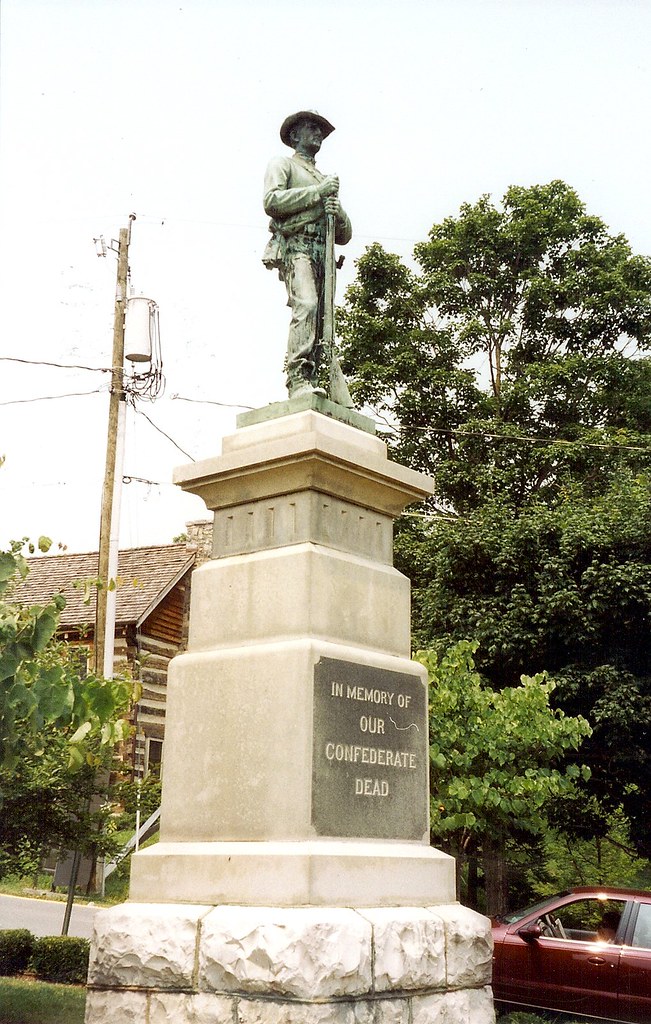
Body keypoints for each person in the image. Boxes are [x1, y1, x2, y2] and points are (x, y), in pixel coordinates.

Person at [263, 110, 352, 398]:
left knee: (324, 321)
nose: (318, 133)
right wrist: (318, 193)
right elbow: (272, 200)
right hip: (298, 247)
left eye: (320, 130)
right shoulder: (284, 165)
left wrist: (335, 209)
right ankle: (297, 378)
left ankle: (318, 376)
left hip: (322, 252)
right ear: (294, 135)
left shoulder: (324, 178)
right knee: (308, 306)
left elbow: (345, 234)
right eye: (311, 128)